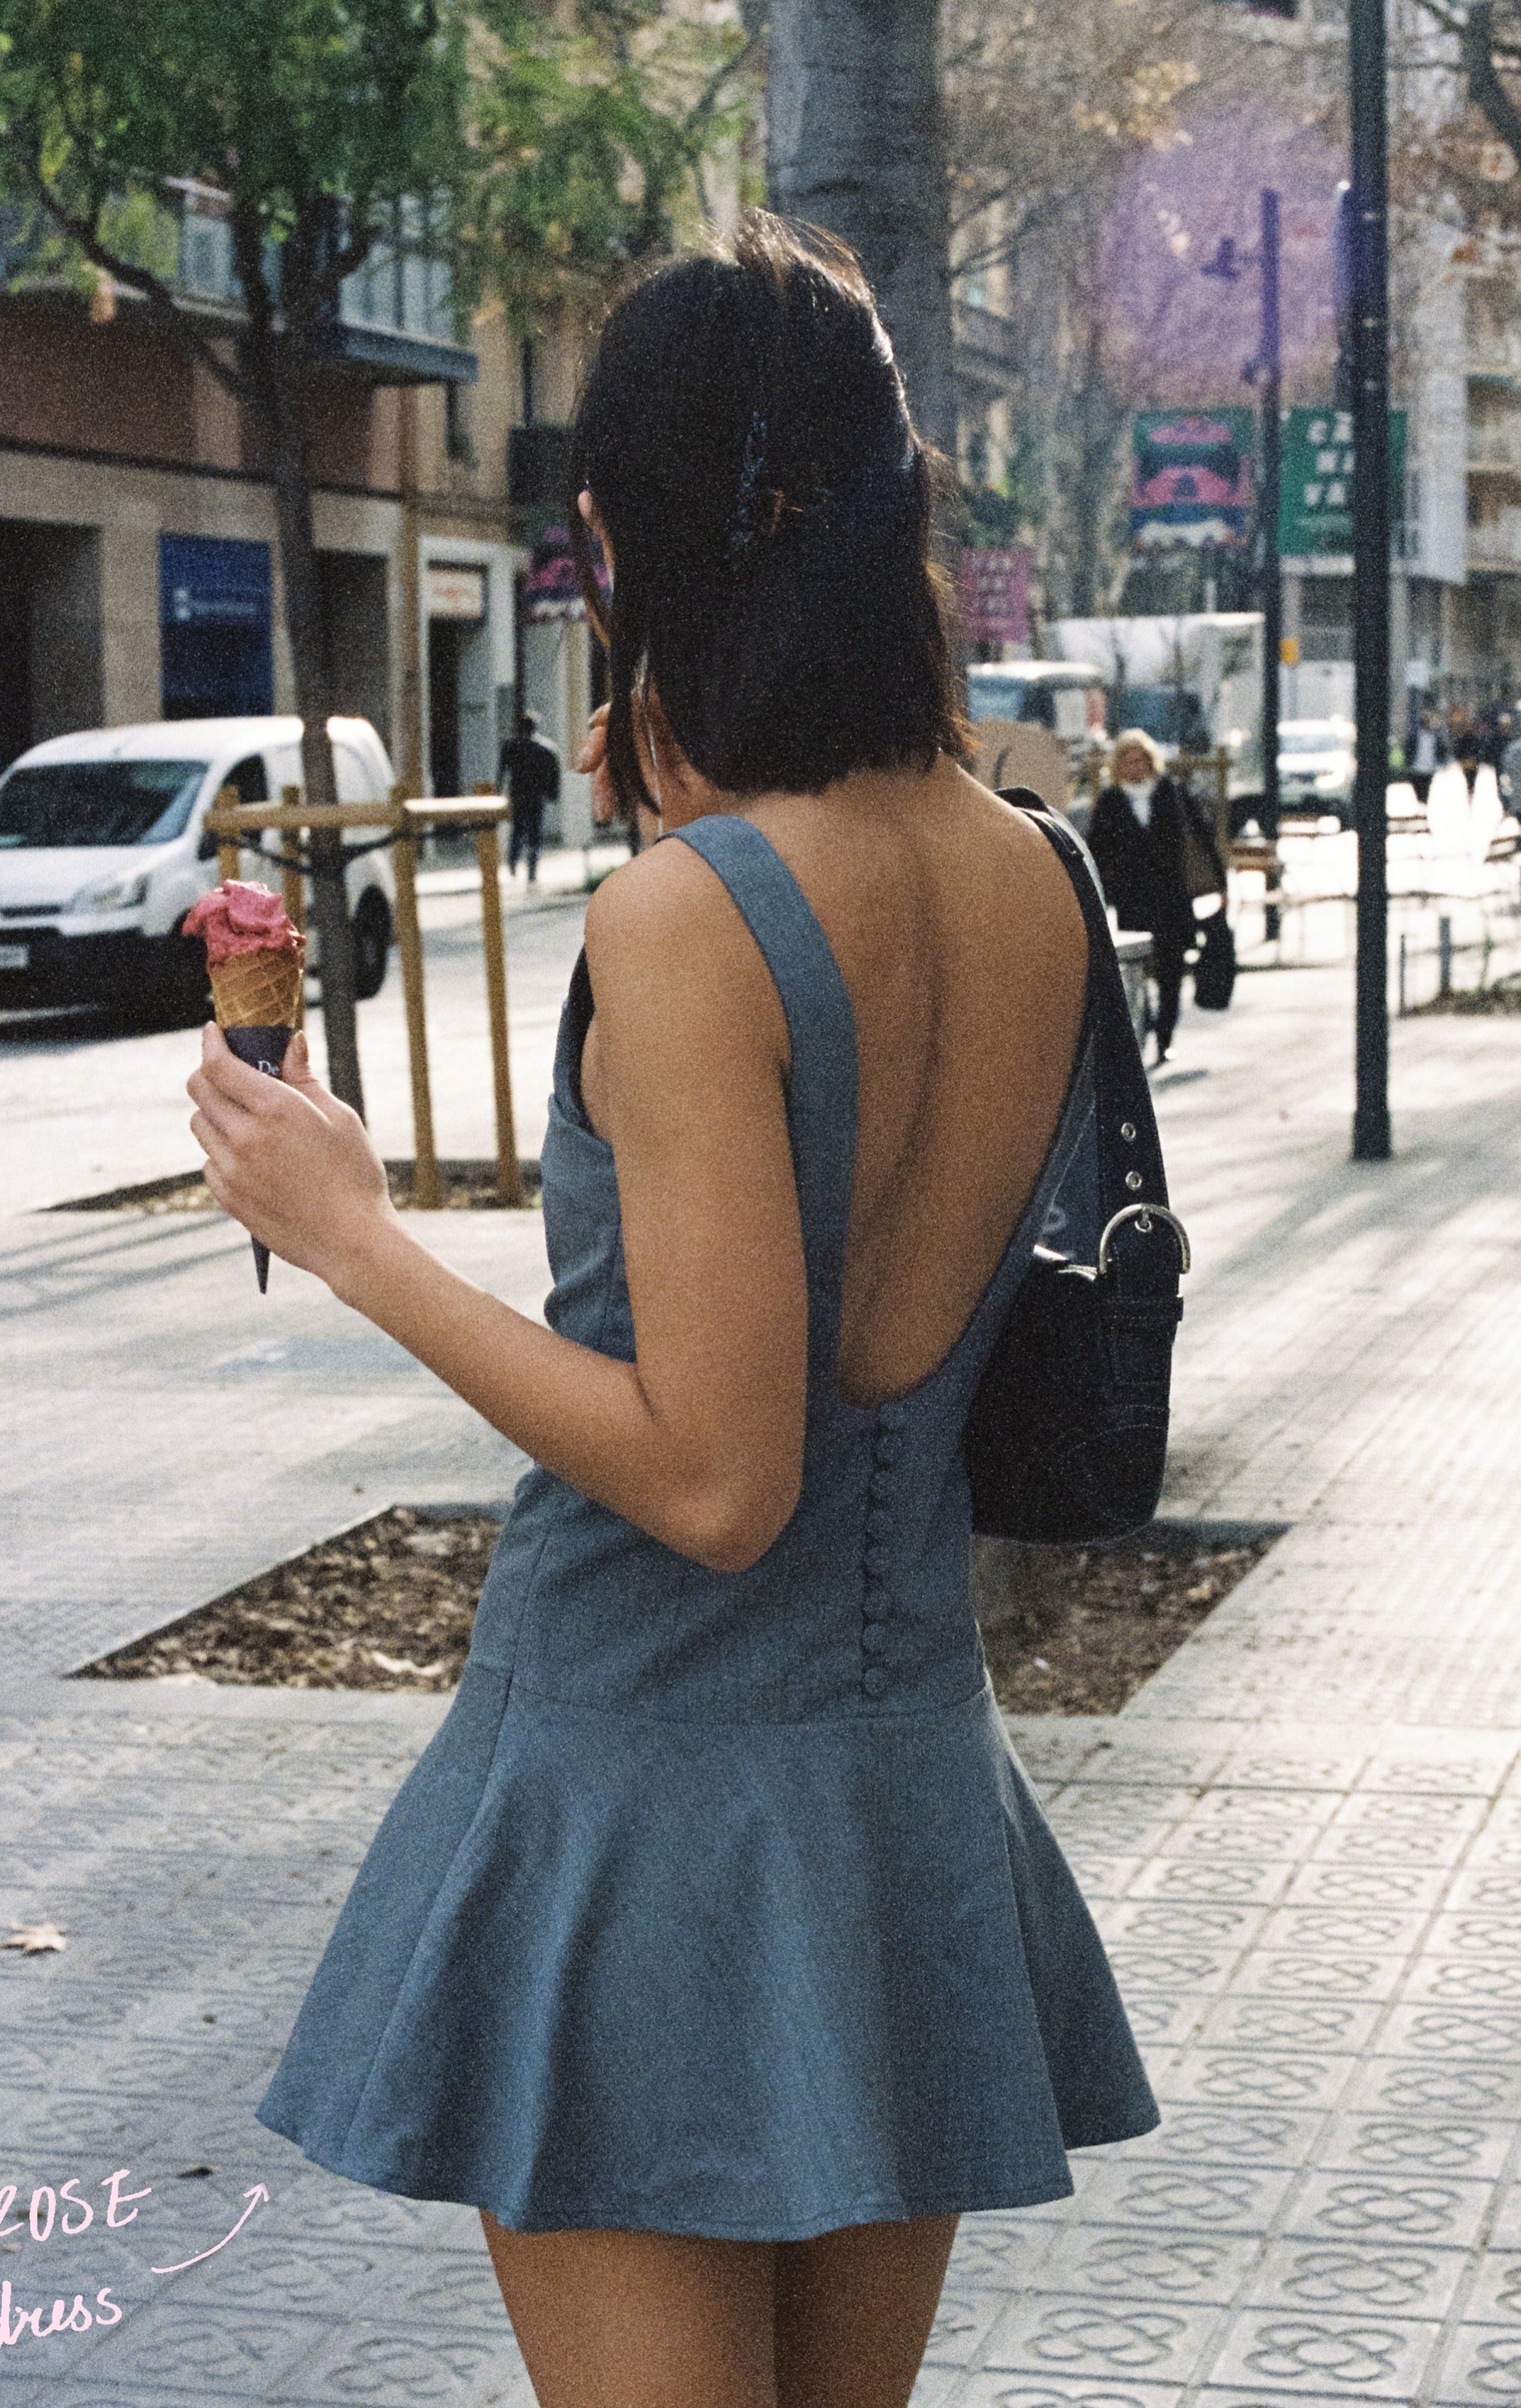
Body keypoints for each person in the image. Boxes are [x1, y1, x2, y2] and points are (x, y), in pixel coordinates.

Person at [189, 213, 1157, 2408]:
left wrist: (356, 1232)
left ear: (622, 531)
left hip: (650, 1801)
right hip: (899, 1788)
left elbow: (720, 1476)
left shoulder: (690, 919)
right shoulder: (1038, 882)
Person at [1089, 728, 1214, 1066]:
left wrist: (1218, 884)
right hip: (1135, 898)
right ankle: (1142, 1032)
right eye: (1126, 760)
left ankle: (1165, 1037)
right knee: (1138, 972)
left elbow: (1201, 838)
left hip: (1171, 896)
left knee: (1172, 970)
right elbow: (1097, 851)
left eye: (1139, 759)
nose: (1134, 766)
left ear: (1151, 761)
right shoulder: (1111, 802)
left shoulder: (1172, 794)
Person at [500, 710, 561, 882]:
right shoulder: (545, 748)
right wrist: (552, 793)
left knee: (517, 831)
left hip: (518, 795)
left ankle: (513, 862)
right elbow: (554, 773)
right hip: (536, 796)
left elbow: (502, 772)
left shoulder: (510, 746)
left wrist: (499, 793)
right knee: (534, 834)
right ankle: (532, 871)